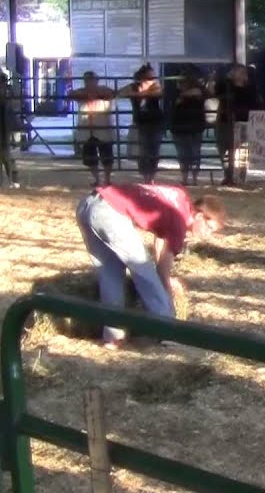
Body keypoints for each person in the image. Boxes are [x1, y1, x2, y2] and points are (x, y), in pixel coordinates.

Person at [75, 183, 227, 348]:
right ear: (198, 216)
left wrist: (165, 277)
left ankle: (113, 337)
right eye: (209, 228)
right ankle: (168, 331)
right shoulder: (179, 223)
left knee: (111, 274)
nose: (207, 235)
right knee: (142, 268)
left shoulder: (179, 197)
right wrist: (169, 297)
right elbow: (161, 271)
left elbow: (160, 242)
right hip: (110, 212)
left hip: (87, 205)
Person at [212, 64, 262, 186]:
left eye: (243, 72)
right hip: (225, 121)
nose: (241, 74)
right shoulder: (225, 86)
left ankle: (240, 176)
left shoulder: (251, 89)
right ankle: (228, 175)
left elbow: (257, 104)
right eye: (238, 71)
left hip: (243, 122)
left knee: (242, 151)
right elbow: (216, 91)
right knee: (224, 149)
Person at [67, 71, 118, 187]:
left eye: (91, 80)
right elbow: (70, 95)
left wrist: (95, 94)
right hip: (87, 130)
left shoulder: (104, 91)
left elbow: (112, 93)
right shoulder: (81, 93)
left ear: (96, 80)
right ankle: (97, 180)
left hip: (102, 128)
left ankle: (107, 179)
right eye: (87, 80)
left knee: (107, 156)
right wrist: (87, 94)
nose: (89, 82)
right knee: (90, 158)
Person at [118, 64, 165, 184]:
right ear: (142, 77)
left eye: (153, 77)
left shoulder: (155, 86)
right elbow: (120, 93)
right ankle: (146, 176)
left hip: (155, 122)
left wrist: (138, 94)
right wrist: (135, 92)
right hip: (140, 122)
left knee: (154, 150)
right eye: (149, 77)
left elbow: (157, 93)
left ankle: (152, 176)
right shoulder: (134, 87)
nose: (152, 79)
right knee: (143, 151)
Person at [171, 70, 209, 186]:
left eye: (183, 82)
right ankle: (186, 178)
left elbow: (198, 92)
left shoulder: (197, 92)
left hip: (193, 126)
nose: (180, 84)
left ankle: (193, 178)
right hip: (180, 127)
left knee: (193, 153)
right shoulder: (174, 93)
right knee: (183, 153)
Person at [0, 69, 18, 188]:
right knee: (6, 154)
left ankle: (14, 179)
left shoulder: (6, 92)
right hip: (4, 124)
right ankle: (12, 180)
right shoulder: (7, 91)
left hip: (4, 124)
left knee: (6, 154)